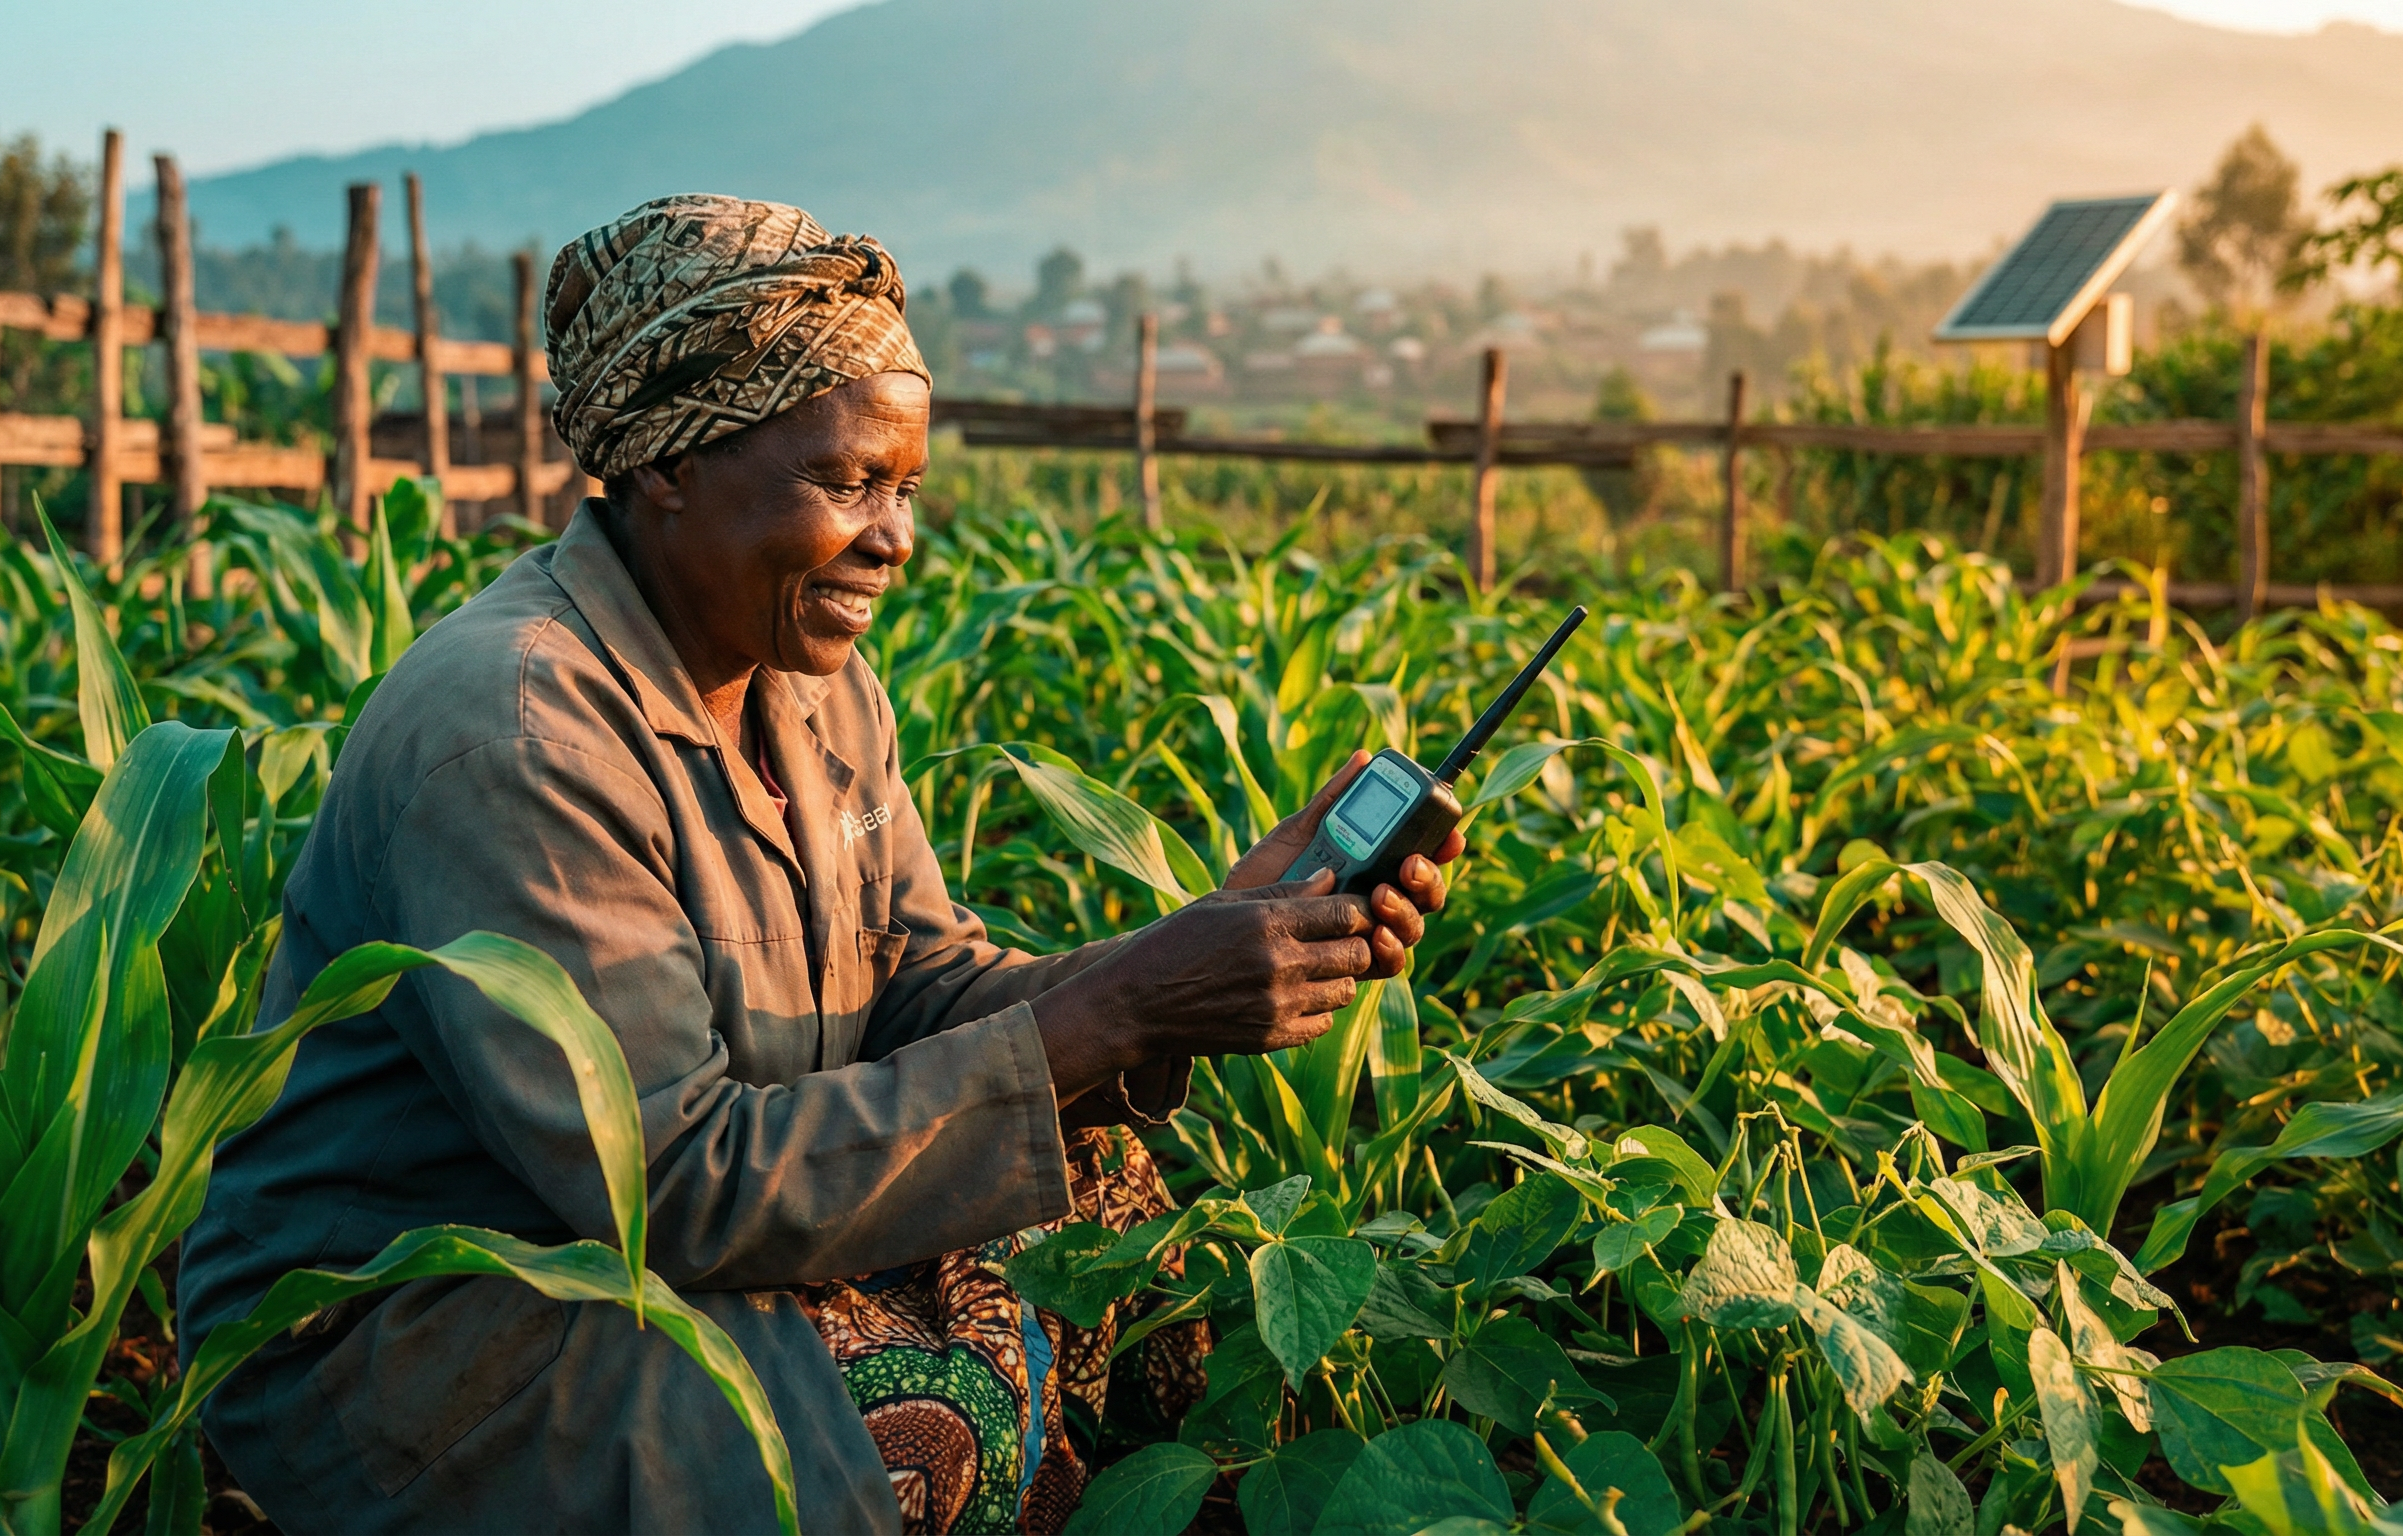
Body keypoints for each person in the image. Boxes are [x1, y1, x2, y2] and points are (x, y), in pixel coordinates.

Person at [176, 195, 1458, 1535]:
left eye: (903, 489)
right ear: (669, 462)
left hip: (657, 1244)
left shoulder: (813, 687)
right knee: (924, 1418)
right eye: (848, 483)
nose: (896, 537)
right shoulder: (515, 731)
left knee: (1105, 1191)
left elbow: (915, 981)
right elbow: (668, 1185)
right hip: (449, 1321)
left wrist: (1185, 954)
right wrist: (1124, 1011)